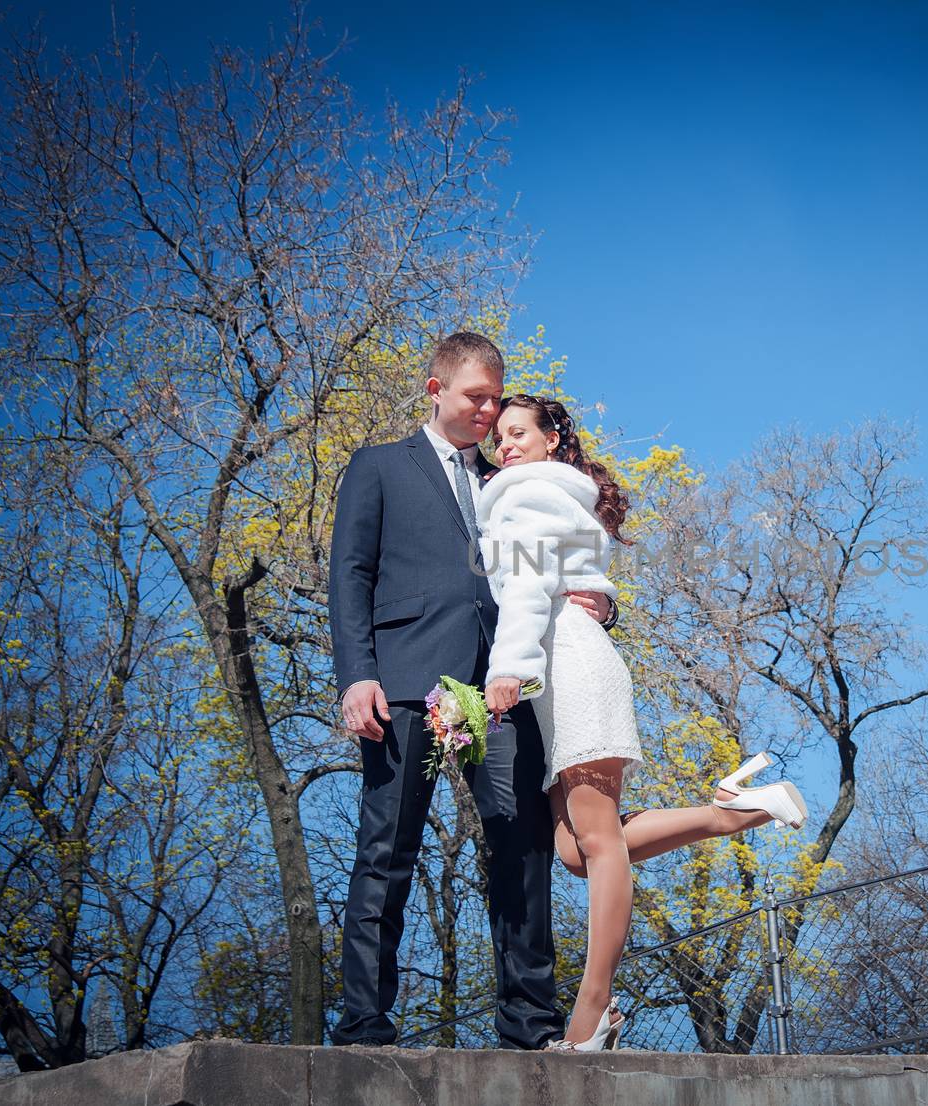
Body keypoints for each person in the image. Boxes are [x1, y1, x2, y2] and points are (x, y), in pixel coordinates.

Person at [479, 394, 808, 1051]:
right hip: (565, 669)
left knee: (597, 846)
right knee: (576, 850)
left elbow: (526, 584)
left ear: (551, 441)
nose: (505, 445)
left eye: (519, 432)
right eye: (499, 437)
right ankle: (734, 812)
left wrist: (504, 669)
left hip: (566, 664)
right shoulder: (546, 489)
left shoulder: (528, 490)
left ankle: (594, 1012)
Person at [327, 333, 618, 1049]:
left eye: (497, 397)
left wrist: (601, 602)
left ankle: (530, 1024)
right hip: (403, 679)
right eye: (476, 397)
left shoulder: (510, 480)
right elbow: (350, 574)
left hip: (499, 688)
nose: (490, 411)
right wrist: (356, 674)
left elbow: (558, 562)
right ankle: (365, 1023)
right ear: (436, 390)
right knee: (386, 849)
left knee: (523, 846)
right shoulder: (379, 468)